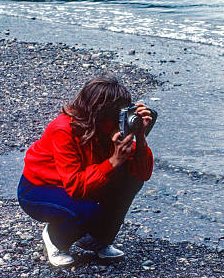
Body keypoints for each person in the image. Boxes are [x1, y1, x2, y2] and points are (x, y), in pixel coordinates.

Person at [17, 75, 155, 267]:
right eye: (115, 116)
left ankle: (98, 240)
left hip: (83, 179)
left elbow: (142, 174)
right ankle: (55, 239)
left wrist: (140, 138)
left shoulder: (108, 128)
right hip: (40, 189)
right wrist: (113, 161)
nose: (119, 122)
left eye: (122, 114)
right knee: (87, 211)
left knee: (130, 179)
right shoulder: (63, 129)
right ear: (98, 114)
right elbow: (76, 186)